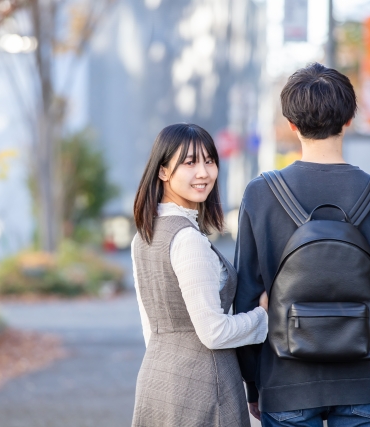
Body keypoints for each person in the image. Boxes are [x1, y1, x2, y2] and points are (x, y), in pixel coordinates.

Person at [234, 63, 370, 427]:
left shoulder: (261, 195)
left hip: (285, 384)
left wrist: (255, 385)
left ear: (291, 125)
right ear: (349, 119)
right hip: (366, 384)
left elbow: (246, 297)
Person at [131, 123, 269, 427]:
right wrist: (264, 316)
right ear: (164, 171)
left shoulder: (143, 235)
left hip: (157, 379)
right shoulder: (187, 239)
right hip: (204, 386)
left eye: (209, 161)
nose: (204, 172)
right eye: (190, 162)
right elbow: (214, 332)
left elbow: (149, 327)